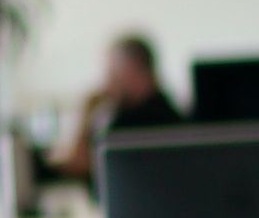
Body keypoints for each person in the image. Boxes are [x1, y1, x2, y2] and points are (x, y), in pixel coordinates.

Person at [48, 32, 183, 179]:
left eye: (112, 72)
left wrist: (87, 113)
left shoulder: (128, 125)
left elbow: (78, 166)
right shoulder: (175, 117)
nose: (108, 82)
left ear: (132, 71)